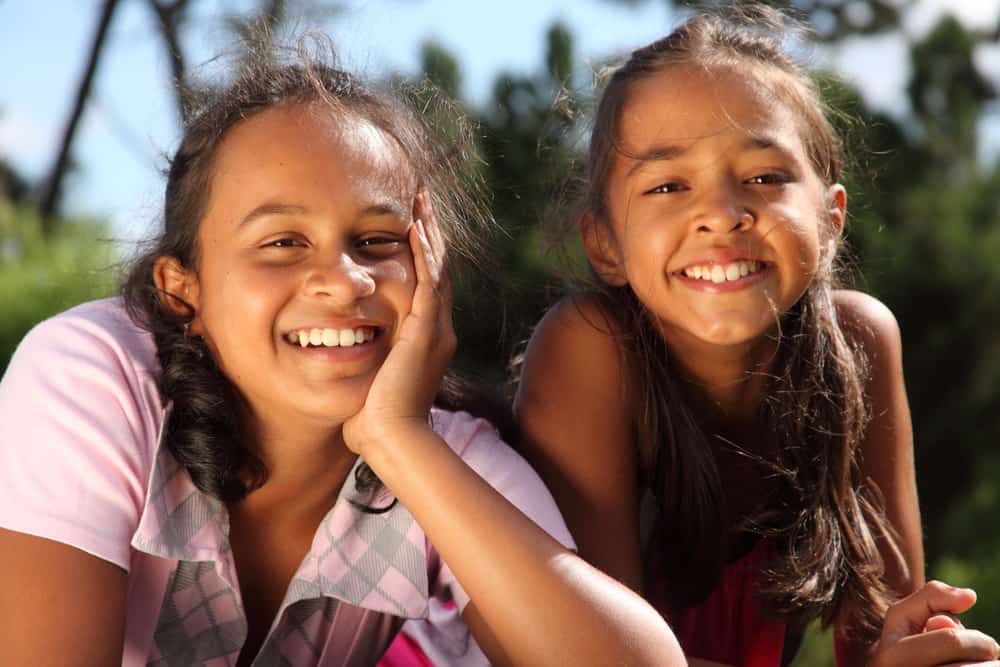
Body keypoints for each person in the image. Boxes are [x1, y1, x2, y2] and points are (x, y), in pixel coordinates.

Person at [0, 42, 685, 666]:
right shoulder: (93, 375)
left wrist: (396, 439)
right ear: (185, 293)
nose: (345, 280)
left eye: (379, 241)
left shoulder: (441, 456)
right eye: (282, 242)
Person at [514, 6, 1000, 667]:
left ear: (830, 220)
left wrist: (918, 649)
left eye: (765, 177)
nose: (720, 213)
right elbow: (598, 655)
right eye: (667, 184)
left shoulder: (857, 341)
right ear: (604, 244)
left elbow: (886, 630)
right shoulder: (591, 346)